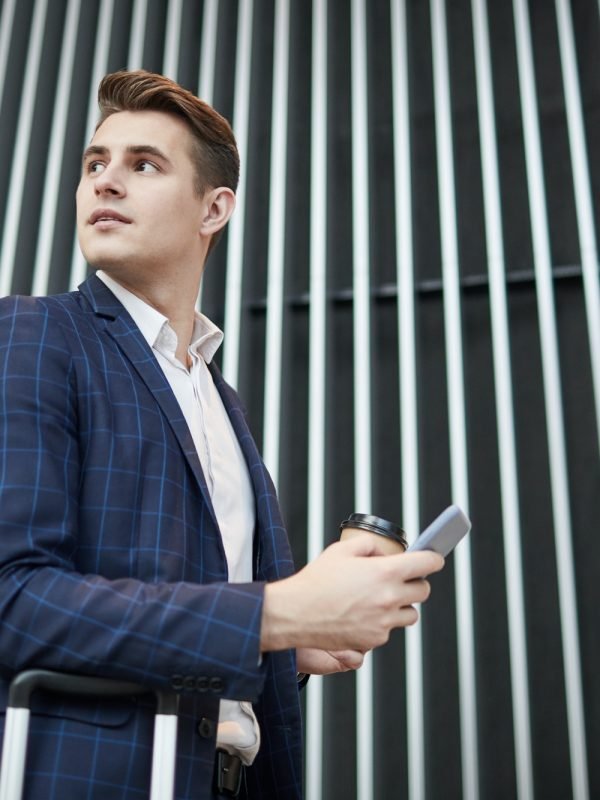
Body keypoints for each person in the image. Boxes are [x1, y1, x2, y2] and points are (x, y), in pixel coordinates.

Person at [0, 70, 444, 799]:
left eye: (143, 164)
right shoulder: (32, 333)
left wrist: (288, 647)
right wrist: (277, 611)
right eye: (94, 164)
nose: (105, 182)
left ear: (214, 209)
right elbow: (14, 600)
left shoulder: (220, 401)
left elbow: (192, 621)